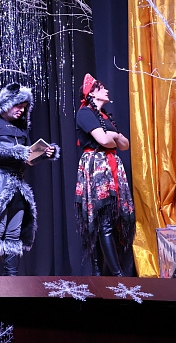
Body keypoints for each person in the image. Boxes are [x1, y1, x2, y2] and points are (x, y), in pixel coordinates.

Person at [0, 82, 59, 276]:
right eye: (18, 105)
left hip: (18, 184)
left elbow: (28, 160)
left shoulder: (21, 128)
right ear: (7, 102)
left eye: (24, 107)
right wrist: (15, 152)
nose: (21, 110)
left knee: (13, 233)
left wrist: (44, 154)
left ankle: (12, 280)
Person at [75, 73, 135, 276]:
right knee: (103, 219)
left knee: (108, 220)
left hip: (111, 168)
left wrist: (114, 135)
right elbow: (104, 141)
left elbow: (124, 145)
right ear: (92, 93)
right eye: (102, 88)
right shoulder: (85, 113)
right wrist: (113, 137)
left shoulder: (105, 116)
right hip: (97, 168)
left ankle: (100, 275)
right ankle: (117, 275)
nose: (107, 91)